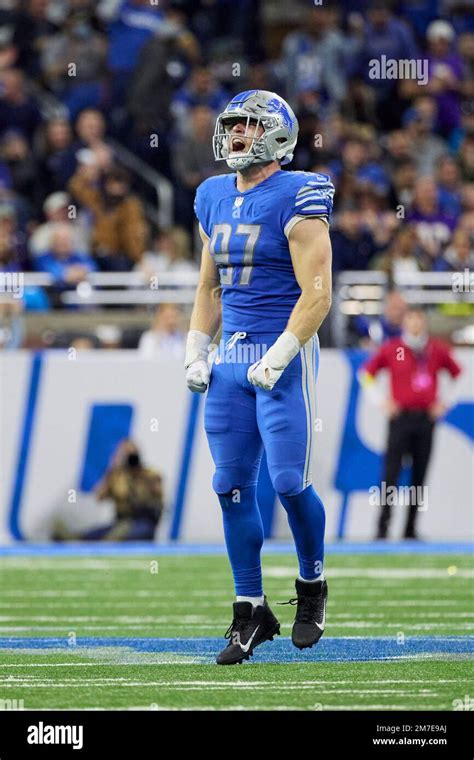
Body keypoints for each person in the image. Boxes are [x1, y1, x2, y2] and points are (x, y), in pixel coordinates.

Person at [184, 90, 334, 664]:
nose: (235, 136)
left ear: (276, 134)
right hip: (230, 358)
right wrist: (198, 347)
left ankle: (312, 588)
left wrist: (280, 354)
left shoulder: (298, 193)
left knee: (290, 481)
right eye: (232, 126)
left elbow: (318, 294)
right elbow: (209, 286)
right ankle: (250, 609)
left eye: (246, 127)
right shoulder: (213, 195)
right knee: (229, 485)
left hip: (282, 353)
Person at [360, 307, 462, 540]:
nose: (415, 324)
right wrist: (381, 401)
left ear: (423, 322)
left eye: (419, 320)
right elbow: (366, 374)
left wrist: (444, 403)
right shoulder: (393, 348)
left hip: (425, 419)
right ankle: (382, 528)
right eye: (411, 320)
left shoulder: (435, 349)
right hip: (400, 419)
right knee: (391, 474)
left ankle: (410, 529)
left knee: (419, 475)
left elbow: (457, 374)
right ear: (404, 323)